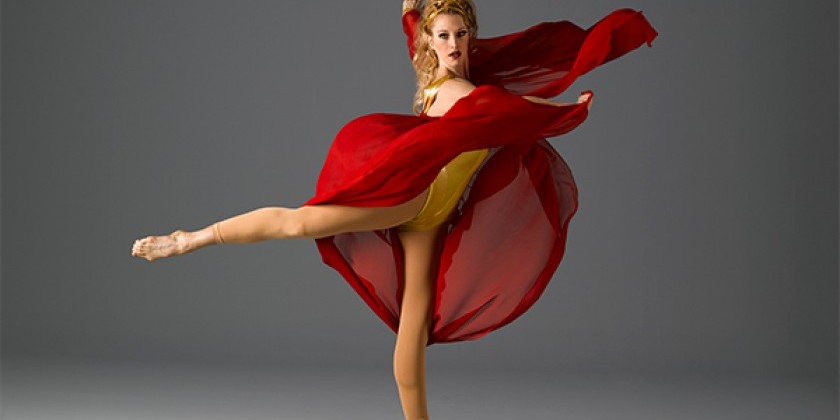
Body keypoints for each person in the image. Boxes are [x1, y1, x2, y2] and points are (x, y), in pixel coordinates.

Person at [132, 1, 656, 418]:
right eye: (442, 36)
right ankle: (188, 239)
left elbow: (420, 39)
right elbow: (507, 110)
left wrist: (411, 13)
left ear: (470, 36)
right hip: (411, 198)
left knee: (414, 330)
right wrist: (566, 110)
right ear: (433, 41)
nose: (452, 44)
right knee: (298, 220)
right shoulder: (459, 90)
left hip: (432, 217)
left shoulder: (437, 74)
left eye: (460, 34)